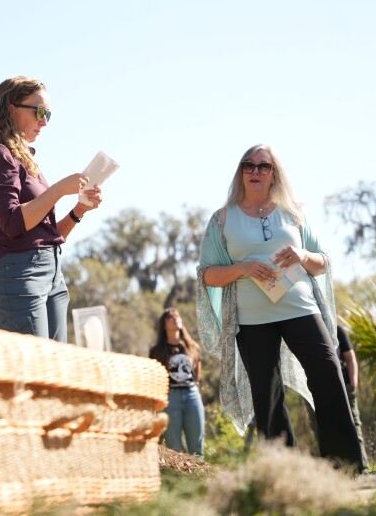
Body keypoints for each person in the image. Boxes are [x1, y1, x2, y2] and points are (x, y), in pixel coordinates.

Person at [196, 143, 365, 472]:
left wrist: (302, 256)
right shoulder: (222, 219)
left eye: (264, 166)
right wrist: (243, 268)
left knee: (329, 373)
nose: (256, 172)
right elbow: (209, 275)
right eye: (249, 165)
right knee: (267, 395)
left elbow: (322, 263)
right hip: (252, 318)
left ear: (274, 173)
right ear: (240, 172)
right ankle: (288, 473)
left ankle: (346, 468)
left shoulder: (294, 211)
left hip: (300, 308)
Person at [0, 76, 102, 342]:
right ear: (11, 108)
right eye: (40, 112)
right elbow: (11, 222)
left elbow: (48, 236)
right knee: (35, 375)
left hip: (51, 273)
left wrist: (79, 210)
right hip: (17, 273)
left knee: (55, 375)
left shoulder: (24, 159)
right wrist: (57, 190)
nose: (44, 121)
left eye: (48, 115)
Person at [149, 308, 206, 459]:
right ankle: (178, 479)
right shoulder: (157, 351)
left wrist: (195, 384)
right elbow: (155, 375)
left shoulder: (191, 347)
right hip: (170, 397)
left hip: (191, 394)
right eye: (171, 317)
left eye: (177, 316)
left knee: (197, 444)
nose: (176, 319)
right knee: (174, 447)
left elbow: (197, 367)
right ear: (164, 325)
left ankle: (199, 477)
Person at [336, 325, 369, 468]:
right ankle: (336, 468)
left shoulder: (338, 330)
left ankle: (362, 467)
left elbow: (350, 358)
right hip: (315, 387)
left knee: (354, 424)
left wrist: (352, 383)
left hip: (344, 386)